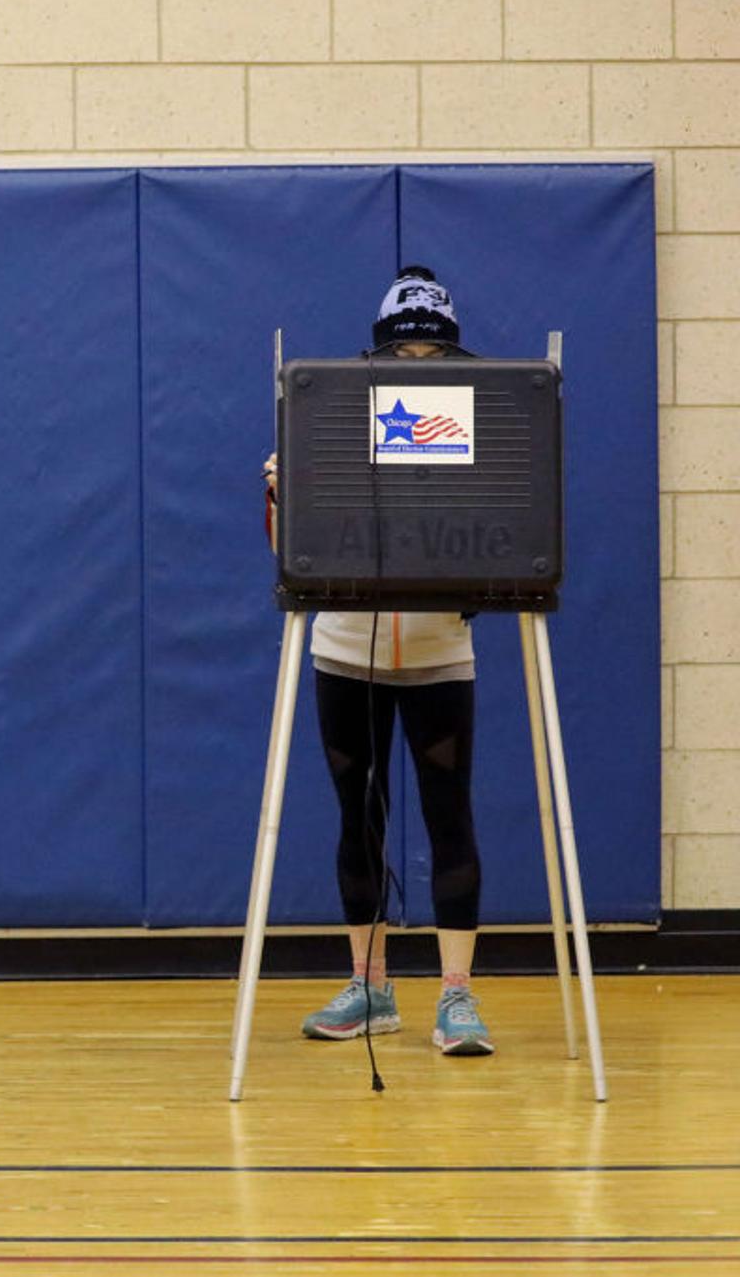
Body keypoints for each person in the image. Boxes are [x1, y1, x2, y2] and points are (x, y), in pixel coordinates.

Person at [268, 265, 496, 1058]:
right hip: (343, 652)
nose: (418, 366)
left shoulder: (485, 433)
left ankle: (457, 998)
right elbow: (287, 556)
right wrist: (279, 497)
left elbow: (503, 547)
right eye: (405, 353)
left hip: (441, 653)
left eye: (433, 354)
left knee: (448, 816)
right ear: (377, 357)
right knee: (357, 817)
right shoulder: (330, 427)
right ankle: (372, 986)